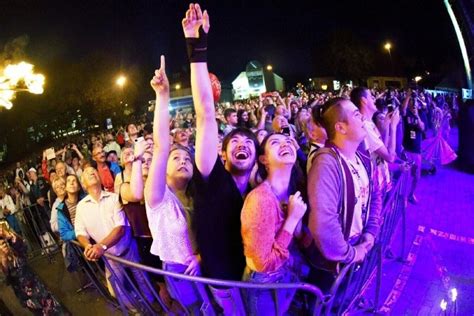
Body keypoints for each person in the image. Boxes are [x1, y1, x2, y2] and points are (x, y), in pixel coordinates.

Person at [182, 3, 255, 313]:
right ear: (221, 154)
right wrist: (197, 45)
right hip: (225, 283)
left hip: (260, 278)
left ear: (257, 156)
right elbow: (205, 114)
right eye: (233, 140)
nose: (241, 143)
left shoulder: (259, 190)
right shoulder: (212, 178)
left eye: (248, 141)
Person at [144, 56, 203, 313]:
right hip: (180, 273)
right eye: (176, 158)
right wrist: (163, 95)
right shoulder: (158, 198)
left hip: (204, 265)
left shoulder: (197, 195)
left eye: (187, 158)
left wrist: (201, 257)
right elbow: (160, 146)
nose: (183, 161)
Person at [307, 97, 382, 290]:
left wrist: (371, 231)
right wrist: (349, 253)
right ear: (340, 127)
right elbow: (323, 224)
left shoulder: (361, 157)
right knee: (332, 306)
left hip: (357, 249)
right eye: (357, 115)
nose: (363, 119)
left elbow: (375, 194)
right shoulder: (326, 163)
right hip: (333, 265)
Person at [241, 133, 308, 314]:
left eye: (288, 141)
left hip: (286, 273)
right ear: (264, 159)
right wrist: (292, 220)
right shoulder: (260, 199)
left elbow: (300, 239)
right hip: (265, 285)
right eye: (275, 142)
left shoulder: (293, 190)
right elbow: (263, 265)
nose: (284, 144)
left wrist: (297, 221)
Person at [74, 166, 154, 309]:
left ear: (100, 177)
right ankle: (134, 310)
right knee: (115, 289)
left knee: (143, 280)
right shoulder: (81, 207)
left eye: (93, 171)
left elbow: (120, 228)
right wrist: (87, 246)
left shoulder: (113, 198)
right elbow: (80, 232)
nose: (91, 172)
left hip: (128, 249)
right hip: (110, 257)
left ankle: (153, 307)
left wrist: (101, 246)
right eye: (86, 173)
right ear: (83, 184)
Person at [0, 224, 69, 315]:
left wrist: (8, 236)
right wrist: (4, 260)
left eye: (3, 243)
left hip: (40, 288)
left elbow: (23, 248)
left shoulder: (13, 250)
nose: (3, 245)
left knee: (58, 311)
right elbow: (5, 280)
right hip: (28, 297)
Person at [350, 87, 400, 191]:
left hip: (382, 182)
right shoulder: (365, 127)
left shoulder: (370, 123)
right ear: (364, 100)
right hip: (378, 187)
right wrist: (393, 127)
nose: (374, 99)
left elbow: (383, 148)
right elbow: (390, 157)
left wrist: (386, 126)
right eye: (371, 96)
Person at [401, 90, 425, 204]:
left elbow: (422, 128)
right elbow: (402, 110)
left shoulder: (420, 114)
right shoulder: (406, 116)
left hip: (417, 151)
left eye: (414, 102)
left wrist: (417, 116)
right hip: (407, 149)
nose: (413, 104)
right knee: (406, 174)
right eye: (411, 102)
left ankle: (411, 194)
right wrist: (408, 95)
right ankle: (404, 197)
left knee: (416, 176)